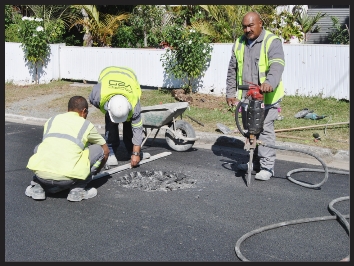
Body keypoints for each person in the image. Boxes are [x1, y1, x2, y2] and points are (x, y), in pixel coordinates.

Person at [225, 11, 285, 181]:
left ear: (260, 24)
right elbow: (232, 70)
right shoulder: (239, 43)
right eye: (244, 26)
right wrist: (230, 93)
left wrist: (269, 83)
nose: (247, 29)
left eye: (251, 25)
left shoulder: (271, 41)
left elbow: (277, 65)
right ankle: (254, 162)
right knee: (251, 130)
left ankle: (267, 167)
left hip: (267, 98)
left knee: (264, 129)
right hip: (247, 97)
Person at [26, 96, 109, 202]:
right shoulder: (85, 125)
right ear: (84, 111)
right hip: (68, 180)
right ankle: (78, 189)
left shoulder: (51, 120)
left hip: (42, 176)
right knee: (99, 150)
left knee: (40, 148)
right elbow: (105, 150)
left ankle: (37, 187)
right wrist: (94, 172)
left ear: (68, 109)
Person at [89, 66, 149, 169]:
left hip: (129, 76)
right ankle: (110, 151)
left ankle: (131, 150)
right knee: (110, 124)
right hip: (107, 73)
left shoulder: (134, 103)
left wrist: (136, 153)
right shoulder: (98, 95)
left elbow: (137, 129)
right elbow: (92, 101)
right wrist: (108, 113)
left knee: (130, 125)